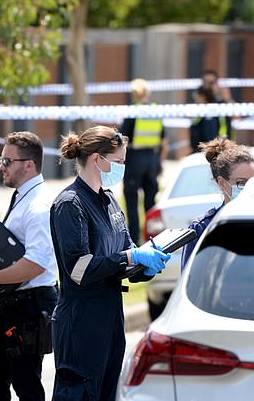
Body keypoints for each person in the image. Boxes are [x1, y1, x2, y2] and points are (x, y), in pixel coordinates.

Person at [49, 125, 171, 400]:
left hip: (110, 317)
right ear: (97, 159)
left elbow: (124, 252)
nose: (123, 168)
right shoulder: (71, 204)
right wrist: (131, 256)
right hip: (81, 321)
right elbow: (79, 270)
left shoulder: (109, 200)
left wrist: (145, 267)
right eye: (119, 162)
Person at [0, 131, 58, 401]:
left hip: (29, 306)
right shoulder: (25, 196)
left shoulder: (38, 205)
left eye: (7, 161)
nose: (1, 166)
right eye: (2, 160)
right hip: (14, 304)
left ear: (29, 164)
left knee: (26, 386)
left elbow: (36, 264)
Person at [181, 137, 254, 269]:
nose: (249, 188)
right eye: (242, 183)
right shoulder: (202, 228)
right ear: (222, 183)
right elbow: (190, 281)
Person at [121, 78, 168, 244]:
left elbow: (122, 139)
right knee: (150, 202)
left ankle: (133, 240)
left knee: (132, 201)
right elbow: (164, 141)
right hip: (152, 159)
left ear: (133, 94)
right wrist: (159, 162)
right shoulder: (155, 111)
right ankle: (152, 239)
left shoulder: (133, 111)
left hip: (135, 158)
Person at [190, 70, 232, 152]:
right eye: (206, 83)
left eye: (212, 83)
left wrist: (227, 98)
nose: (208, 87)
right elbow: (193, 123)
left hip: (221, 149)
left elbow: (237, 118)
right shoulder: (198, 104)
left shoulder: (223, 104)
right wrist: (200, 101)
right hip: (200, 150)